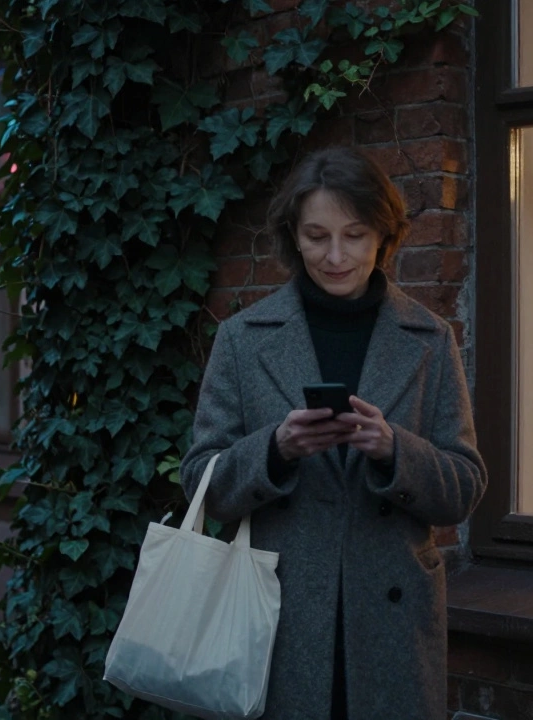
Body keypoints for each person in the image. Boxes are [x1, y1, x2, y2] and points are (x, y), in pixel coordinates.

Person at [179, 146, 488, 720]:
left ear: (384, 236)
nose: (337, 255)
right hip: (279, 619)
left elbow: (465, 486)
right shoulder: (245, 338)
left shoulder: (429, 338)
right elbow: (202, 480)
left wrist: (397, 452)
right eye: (317, 236)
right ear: (293, 236)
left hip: (393, 621)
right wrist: (275, 451)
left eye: (356, 234)